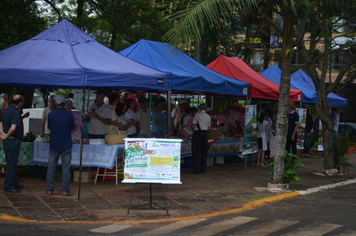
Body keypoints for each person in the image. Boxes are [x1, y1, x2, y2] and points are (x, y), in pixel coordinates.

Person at [46, 95, 76, 196]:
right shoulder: (69, 115)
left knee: (51, 167)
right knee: (66, 168)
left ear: (55, 103)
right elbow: (72, 127)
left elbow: (49, 127)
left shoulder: (51, 115)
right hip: (66, 143)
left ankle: (49, 189)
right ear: (65, 103)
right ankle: (65, 189)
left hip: (54, 143)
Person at [0, 94, 25, 193]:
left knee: (11, 162)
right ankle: (8, 185)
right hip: (12, 140)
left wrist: (2, 133)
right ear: (20, 102)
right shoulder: (15, 112)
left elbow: (1, 123)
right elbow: (13, 127)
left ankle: (13, 182)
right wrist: (6, 135)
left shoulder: (7, 110)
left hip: (7, 140)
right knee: (11, 163)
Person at [191, 103, 211, 174]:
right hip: (205, 133)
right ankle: (203, 168)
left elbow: (193, 126)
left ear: (199, 108)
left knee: (196, 151)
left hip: (197, 133)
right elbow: (208, 128)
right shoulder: (208, 116)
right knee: (204, 151)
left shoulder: (197, 115)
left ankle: (196, 169)